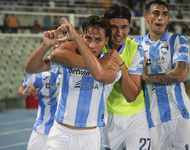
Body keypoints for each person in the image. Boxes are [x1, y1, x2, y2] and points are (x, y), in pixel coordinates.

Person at [49, 4, 149, 150]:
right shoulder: (95, 43)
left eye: (124, 27)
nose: (119, 32)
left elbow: (131, 96)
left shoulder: (136, 49)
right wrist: (97, 63)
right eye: (114, 27)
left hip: (135, 115)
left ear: (129, 27)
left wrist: (121, 65)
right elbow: (56, 55)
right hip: (107, 116)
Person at [25, 14, 123, 150]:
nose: (92, 45)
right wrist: (44, 45)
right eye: (88, 38)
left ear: (106, 39)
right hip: (60, 133)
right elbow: (30, 68)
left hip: (89, 136)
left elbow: (100, 75)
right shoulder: (69, 59)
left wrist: (75, 37)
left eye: (98, 39)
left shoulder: (111, 63)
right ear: (82, 36)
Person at [133, 1, 190, 149]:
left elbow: (181, 74)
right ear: (146, 17)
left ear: (168, 19)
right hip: (152, 119)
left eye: (165, 14)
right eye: (156, 13)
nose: (160, 18)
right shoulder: (136, 44)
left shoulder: (177, 40)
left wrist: (146, 77)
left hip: (179, 115)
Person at [18, 69, 62, 150]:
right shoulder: (40, 71)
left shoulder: (71, 68)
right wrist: (25, 92)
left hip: (63, 131)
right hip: (41, 129)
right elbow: (21, 90)